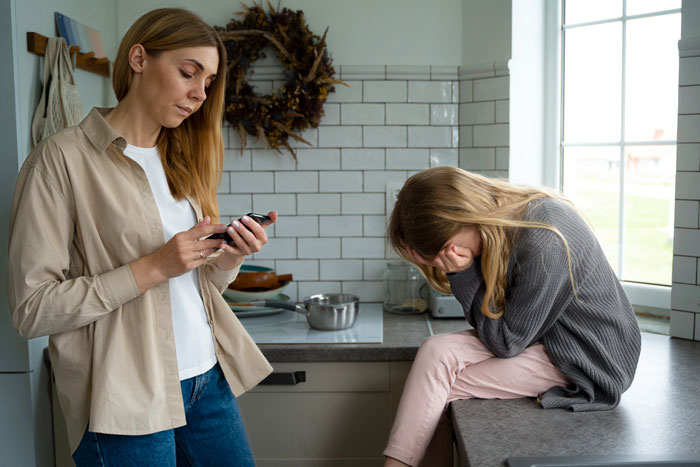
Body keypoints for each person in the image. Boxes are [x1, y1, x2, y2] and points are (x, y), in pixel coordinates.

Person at [8, 8, 274, 466]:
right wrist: (151, 267)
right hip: (122, 398)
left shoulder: (184, 160)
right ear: (138, 58)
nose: (198, 94)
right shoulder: (60, 161)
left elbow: (192, 286)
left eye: (207, 82)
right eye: (188, 73)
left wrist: (227, 260)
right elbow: (32, 310)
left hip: (206, 383)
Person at [383, 166, 642, 467]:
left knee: (439, 393)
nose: (445, 262)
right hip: (547, 337)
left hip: (590, 359)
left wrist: (461, 272)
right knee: (434, 350)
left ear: (460, 226)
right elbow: (503, 322)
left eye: (442, 254)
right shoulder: (509, 221)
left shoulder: (544, 240)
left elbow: (505, 343)